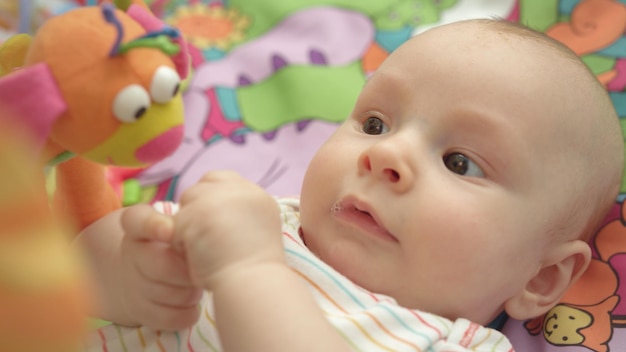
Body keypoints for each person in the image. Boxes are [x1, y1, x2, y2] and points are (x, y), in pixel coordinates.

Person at [79, 18, 624, 351]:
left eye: (460, 162)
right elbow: (72, 272)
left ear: (542, 278)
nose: (386, 153)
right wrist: (136, 273)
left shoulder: (447, 344)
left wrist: (249, 272)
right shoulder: (266, 220)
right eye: (375, 123)